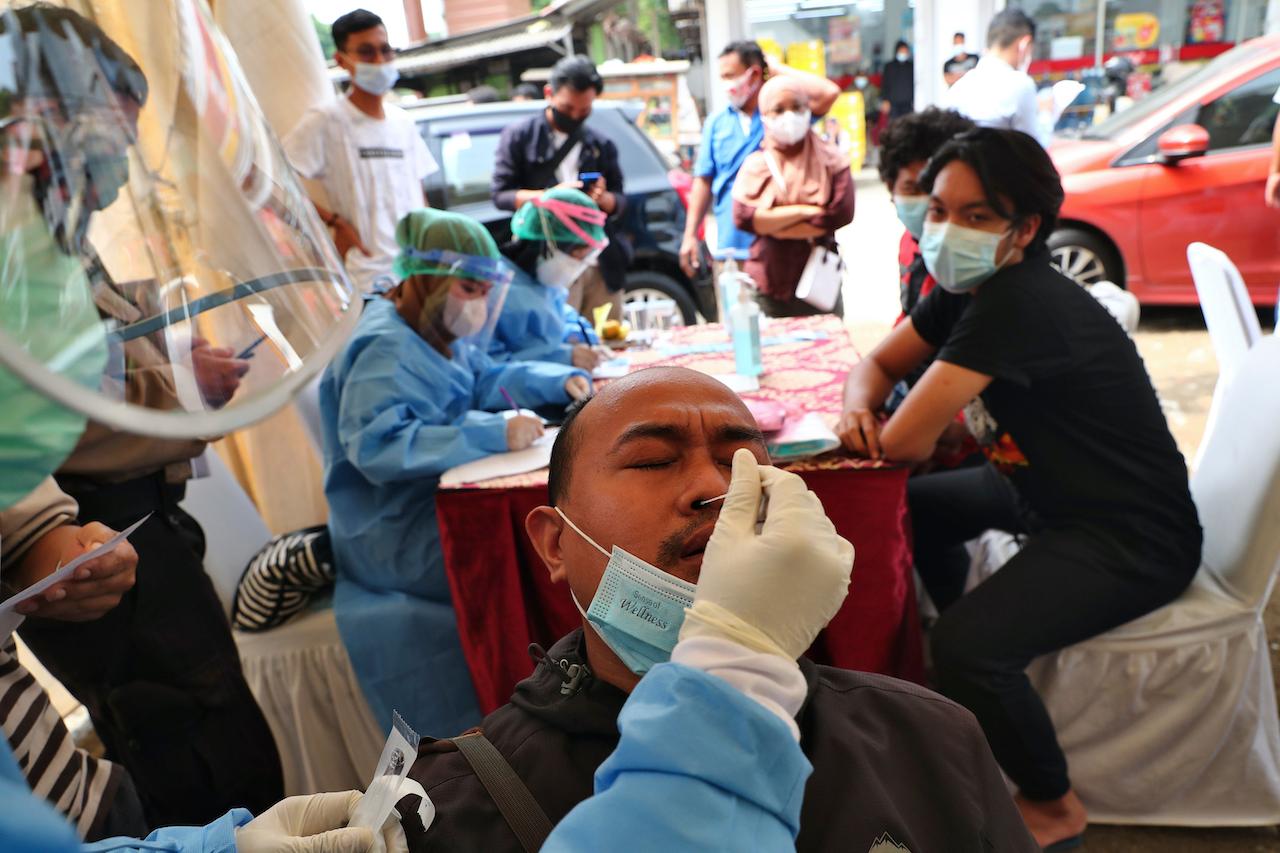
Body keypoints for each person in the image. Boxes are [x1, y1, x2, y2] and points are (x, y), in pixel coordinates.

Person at [404, 366, 1038, 852]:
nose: (718, 488)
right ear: (555, 542)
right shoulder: (459, 806)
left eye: (747, 464)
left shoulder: (930, 740)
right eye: (652, 460)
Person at [836, 128, 1202, 849]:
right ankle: (954, 657)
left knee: (972, 648)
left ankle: (1053, 801)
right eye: (937, 208)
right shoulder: (966, 285)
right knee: (907, 512)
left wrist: (879, 414)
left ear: (1024, 229)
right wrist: (858, 405)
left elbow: (907, 441)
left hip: (1129, 533)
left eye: (976, 216)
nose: (945, 229)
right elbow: (875, 362)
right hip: (1043, 492)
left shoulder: (1017, 300)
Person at [0, 3, 283, 827]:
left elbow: (101, 340)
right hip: (93, 535)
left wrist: (174, 368)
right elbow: (57, 391)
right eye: (109, 134)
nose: (121, 163)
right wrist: (36, 535)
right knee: (198, 758)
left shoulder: (53, 236)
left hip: (133, 524)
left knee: (221, 738)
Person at [319, 208, 591, 737]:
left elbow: (483, 376)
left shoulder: (428, 329)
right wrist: (490, 434)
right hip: (394, 532)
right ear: (423, 277)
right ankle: (537, 716)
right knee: (532, 559)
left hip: (430, 504)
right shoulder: (383, 346)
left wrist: (558, 378)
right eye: (469, 288)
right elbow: (377, 446)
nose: (478, 305)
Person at [284, 9, 439, 293]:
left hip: (418, 269)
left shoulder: (402, 121)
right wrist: (333, 223)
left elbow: (418, 192)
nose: (379, 61)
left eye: (385, 50)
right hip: (370, 276)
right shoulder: (327, 119)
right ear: (342, 60)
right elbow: (275, 177)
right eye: (366, 52)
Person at [678, 41, 839, 281]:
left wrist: (774, 69)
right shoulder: (717, 123)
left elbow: (828, 93)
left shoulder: (784, 119)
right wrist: (690, 234)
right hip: (732, 249)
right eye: (722, 77)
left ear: (752, 74)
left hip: (781, 245)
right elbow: (703, 181)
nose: (726, 84)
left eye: (731, 76)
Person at [491, 55, 627, 322]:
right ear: (549, 93)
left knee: (610, 343)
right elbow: (501, 194)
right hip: (548, 262)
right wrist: (553, 198)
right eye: (568, 108)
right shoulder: (519, 137)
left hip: (599, 262)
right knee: (559, 342)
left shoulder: (601, 143)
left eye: (584, 110)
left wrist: (603, 199)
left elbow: (622, 200)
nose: (575, 116)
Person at [731, 76, 854, 317]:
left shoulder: (831, 160)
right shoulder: (755, 165)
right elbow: (743, 218)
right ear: (765, 115)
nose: (789, 116)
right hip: (769, 283)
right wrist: (805, 211)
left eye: (797, 107)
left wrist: (771, 223)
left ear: (809, 109)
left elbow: (839, 214)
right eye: (779, 109)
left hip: (820, 283)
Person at [877, 108, 975, 408]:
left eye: (935, 187)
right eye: (913, 188)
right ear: (891, 190)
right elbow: (907, 319)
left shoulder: (972, 260)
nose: (929, 201)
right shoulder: (909, 243)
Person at [492, 187, 609, 370]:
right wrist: (562, 358)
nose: (580, 265)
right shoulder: (496, 291)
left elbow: (558, 320)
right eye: (578, 255)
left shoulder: (541, 282)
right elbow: (489, 368)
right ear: (548, 244)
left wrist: (582, 338)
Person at [944, 9, 1049, 147]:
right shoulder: (1020, 85)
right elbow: (1036, 149)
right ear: (1024, 45)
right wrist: (1047, 113)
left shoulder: (958, 89)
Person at [879, 39, 914, 123]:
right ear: (896, 51)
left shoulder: (911, 66)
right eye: (901, 51)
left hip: (908, 103)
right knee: (895, 126)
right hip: (893, 104)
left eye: (905, 51)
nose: (904, 53)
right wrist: (885, 100)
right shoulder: (889, 66)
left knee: (908, 125)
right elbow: (885, 84)